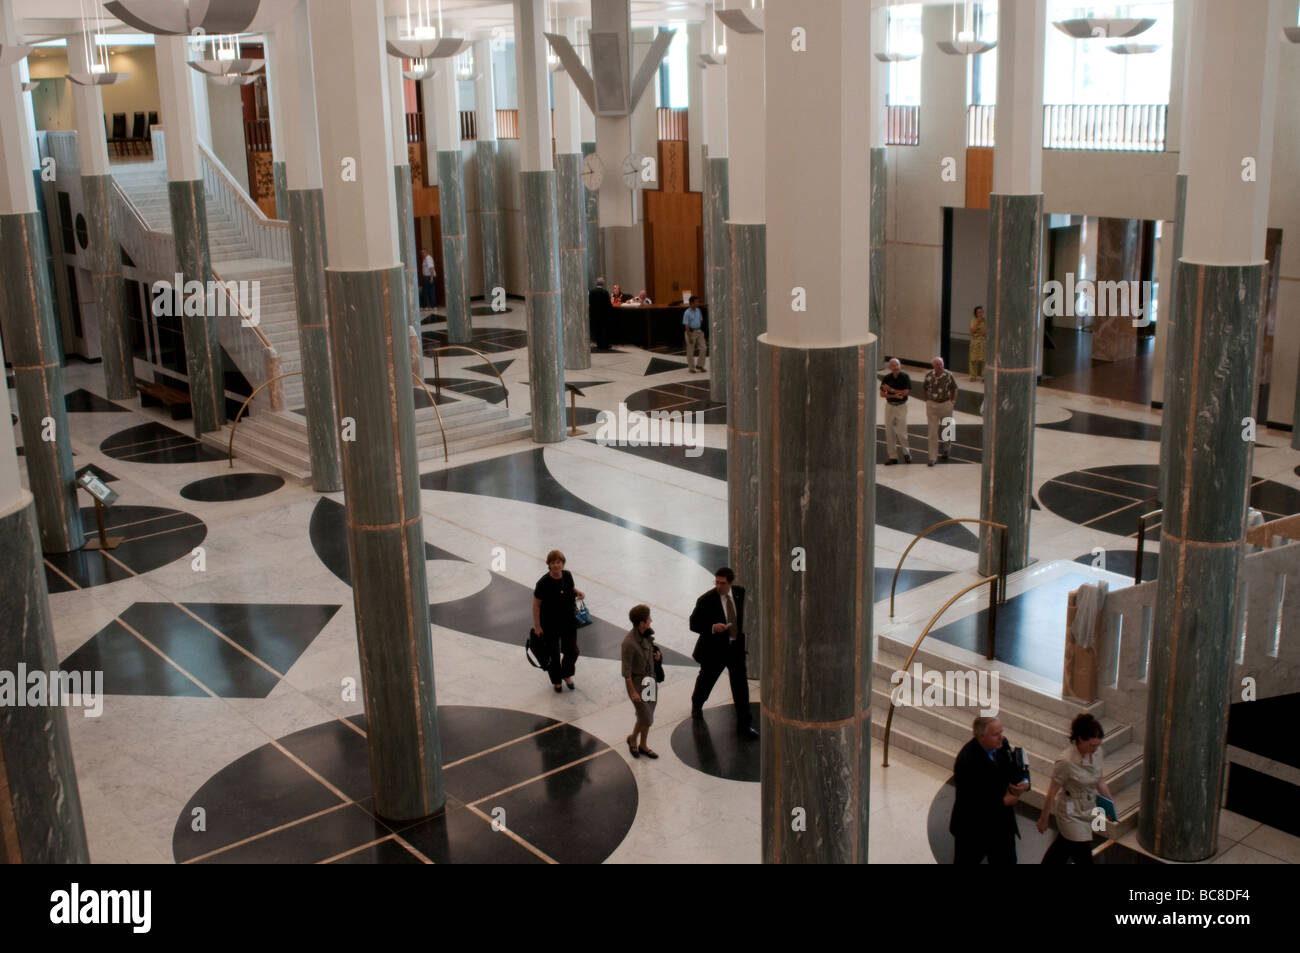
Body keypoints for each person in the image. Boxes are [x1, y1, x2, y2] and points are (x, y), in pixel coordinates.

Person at [949, 716, 1029, 864]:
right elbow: (971, 801)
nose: (1001, 738)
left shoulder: (1002, 745)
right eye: (995, 734)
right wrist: (1004, 801)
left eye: (1001, 732)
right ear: (981, 736)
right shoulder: (966, 761)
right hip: (973, 829)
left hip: (1001, 826)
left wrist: (1024, 781)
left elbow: (1017, 766)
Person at [689, 567, 756, 738]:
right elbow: (693, 624)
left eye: (723, 583)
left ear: (731, 583)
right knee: (706, 681)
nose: (719, 586)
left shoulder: (739, 593)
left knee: (741, 688)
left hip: (735, 649)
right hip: (714, 651)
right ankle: (697, 704)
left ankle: (744, 726)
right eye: (716, 582)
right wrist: (712, 627)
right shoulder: (706, 600)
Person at [1037, 713, 1111, 864]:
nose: (1095, 749)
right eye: (1092, 745)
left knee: (1063, 847)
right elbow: (1052, 792)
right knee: (1081, 851)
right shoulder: (1066, 761)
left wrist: (1109, 805)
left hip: (1087, 809)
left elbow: (1100, 780)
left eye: (1098, 745)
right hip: (1070, 813)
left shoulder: (1097, 753)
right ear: (1080, 739)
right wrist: (1044, 818)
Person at [532, 550, 585, 693]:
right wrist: (537, 626)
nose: (556, 565)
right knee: (553, 654)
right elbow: (536, 605)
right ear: (549, 564)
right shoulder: (543, 583)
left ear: (563, 563)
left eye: (558, 562)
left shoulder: (567, 575)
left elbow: (569, 588)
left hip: (568, 621)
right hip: (549, 624)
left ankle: (566, 674)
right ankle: (556, 680)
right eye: (553, 562)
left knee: (572, 651)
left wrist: (577, 592)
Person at [622, 604, 663, 759]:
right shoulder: (628, 643)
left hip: (650, 680)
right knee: (646, 716)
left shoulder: (646, 636)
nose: (651, 621)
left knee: (647, 715)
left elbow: (650, 654)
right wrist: (632, 691)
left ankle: (642, 744)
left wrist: (657, 657)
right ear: (641, 623)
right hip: (638, 683)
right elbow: (626, 672)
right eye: (648, 619)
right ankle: (633, 739)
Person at [923, 356, 958, 467]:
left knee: (947, 428)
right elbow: (924, 387)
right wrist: (927, 400)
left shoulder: (948, 375)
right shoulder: (929, 375)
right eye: (937, 364)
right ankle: (932, 457)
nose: (940, 366)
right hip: (932, 405)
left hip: (946, 404)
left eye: (941, 364)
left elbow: (955, 388)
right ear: (933, 366)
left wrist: (953, 401)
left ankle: (947, 448)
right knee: (932, 432)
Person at [879, 357, 912, 465]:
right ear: (890, 367)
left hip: (901, 406)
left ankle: (906, 453)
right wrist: (893, 395)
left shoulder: (905, 377)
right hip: (890, 406)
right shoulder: (887, 378)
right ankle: (893, 456)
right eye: (893, 365)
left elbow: (905, 392)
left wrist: (891, 390)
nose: (896, 367)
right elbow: (882, 394)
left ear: (900, 366)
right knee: (889, 431)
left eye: (897, 365)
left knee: (902, 431)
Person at [682, 296, 707, 373]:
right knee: (690, 351)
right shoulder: (687, 313)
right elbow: (686, 325)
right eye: (696, 302)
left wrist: (700, 331)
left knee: (704, 348)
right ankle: (691, 368)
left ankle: (700, 365)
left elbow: (701, 320)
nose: (698, 303)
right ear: (692, 303)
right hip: (691, 332)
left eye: (698, 302)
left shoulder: (698, 310)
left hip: (699, 331)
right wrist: (689, 336)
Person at [589, 277, 612, 350]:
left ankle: (598, 344)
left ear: (597, 283)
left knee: (597, 329)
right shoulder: (605, 292)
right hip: (603, 315)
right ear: (603, 284)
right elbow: (608, 304)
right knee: (603, 329)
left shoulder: (592, 292)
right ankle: (604, 344)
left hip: (594, 314)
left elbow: (590, 302)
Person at [969, 306, 987, 380]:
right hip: (975, 342)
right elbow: (972, 331)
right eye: (979, 312)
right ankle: (973, 376)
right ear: (976, 313)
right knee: (973, 360)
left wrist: (980, 333)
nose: (981, 314)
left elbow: (985, 332)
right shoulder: (973, 320)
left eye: (982, 312)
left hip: (983, 341)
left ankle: (984, 376)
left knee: (984, 360)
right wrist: (978, 322)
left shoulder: (984, 320)